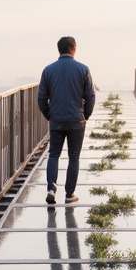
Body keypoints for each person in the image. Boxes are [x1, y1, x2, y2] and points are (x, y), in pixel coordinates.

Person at [38, 36, 95, 204]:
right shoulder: (83, 69)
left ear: (59, 49)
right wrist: (86, 115)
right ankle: (69, 194)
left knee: (53, 154)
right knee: (74, 156)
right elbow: (90, 95)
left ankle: (51, 189)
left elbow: (41, 98)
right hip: (76, 120)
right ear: (73, 48)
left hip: (56, 120)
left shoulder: (48, 70)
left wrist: (49, 114)